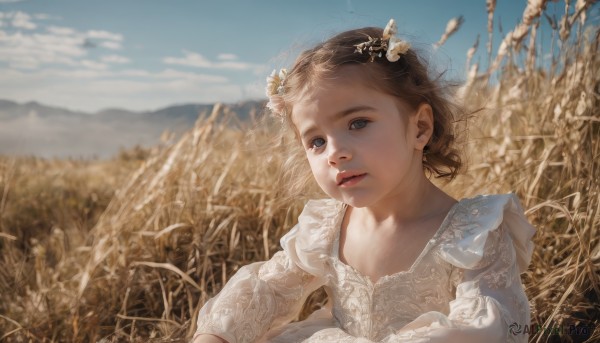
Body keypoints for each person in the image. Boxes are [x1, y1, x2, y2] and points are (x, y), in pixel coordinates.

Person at [192, 19, 535, 343]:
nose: (335, 153)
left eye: (357, 123)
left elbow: (485, 325)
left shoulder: (473, 233)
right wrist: (219, 334)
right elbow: (270, 288)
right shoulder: (326, 228)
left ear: (420, 128)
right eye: (316, 141)